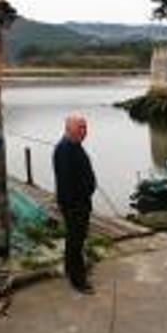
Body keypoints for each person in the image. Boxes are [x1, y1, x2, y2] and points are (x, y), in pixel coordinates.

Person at [53, 113, 97, 294]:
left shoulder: (74, 145)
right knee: (75, 241)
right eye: (80, 127)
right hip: (74, 206)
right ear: (69, 128)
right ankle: (78, 280)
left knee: (75, 240)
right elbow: (66, 184)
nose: (84, 131)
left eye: (85, 127)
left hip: (80, 204)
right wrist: (76, 205)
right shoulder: (64, 149)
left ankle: (70, 269)